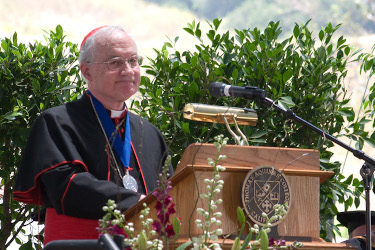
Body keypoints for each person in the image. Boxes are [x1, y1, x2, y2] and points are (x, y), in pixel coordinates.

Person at [13, 26, 173, 244]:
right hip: (81, 243)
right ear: (86, 71)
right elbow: (66, 186)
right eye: (115, 62)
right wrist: (138, 202)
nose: (128, 70)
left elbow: (170, 192)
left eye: (133, 61)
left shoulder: (149, 132)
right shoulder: (58, 122)